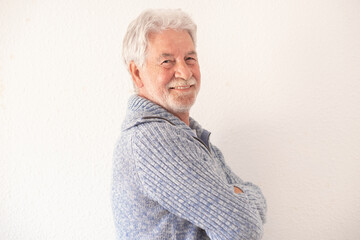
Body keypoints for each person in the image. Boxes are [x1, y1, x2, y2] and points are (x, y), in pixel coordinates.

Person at [112, 9, 267, 240]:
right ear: (137, 73)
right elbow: (243, 228)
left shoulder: (186, 134)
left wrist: (238, 197)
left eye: (190, 58)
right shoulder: (154, 139)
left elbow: (258, 203)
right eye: (167, 61)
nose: (184, 72)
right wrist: (236, 196)